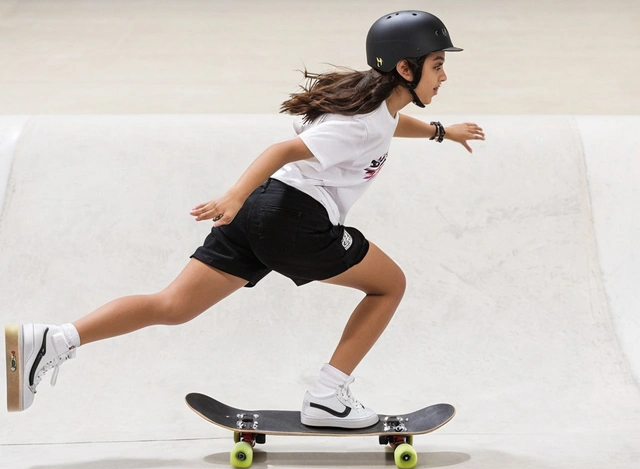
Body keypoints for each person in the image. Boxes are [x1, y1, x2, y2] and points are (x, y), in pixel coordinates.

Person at [4, 10, 484, 428]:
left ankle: (53, 339)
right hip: (293, 218)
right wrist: (232, 195)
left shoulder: (373, 104)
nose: (444, 77)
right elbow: (283, 148)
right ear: (405, 67)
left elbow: (392, 124)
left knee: (173, 305)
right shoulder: (358, 121)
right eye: (437, 65)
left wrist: (442, 131)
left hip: (263, 209)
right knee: (390, 285)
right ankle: (327, 396)